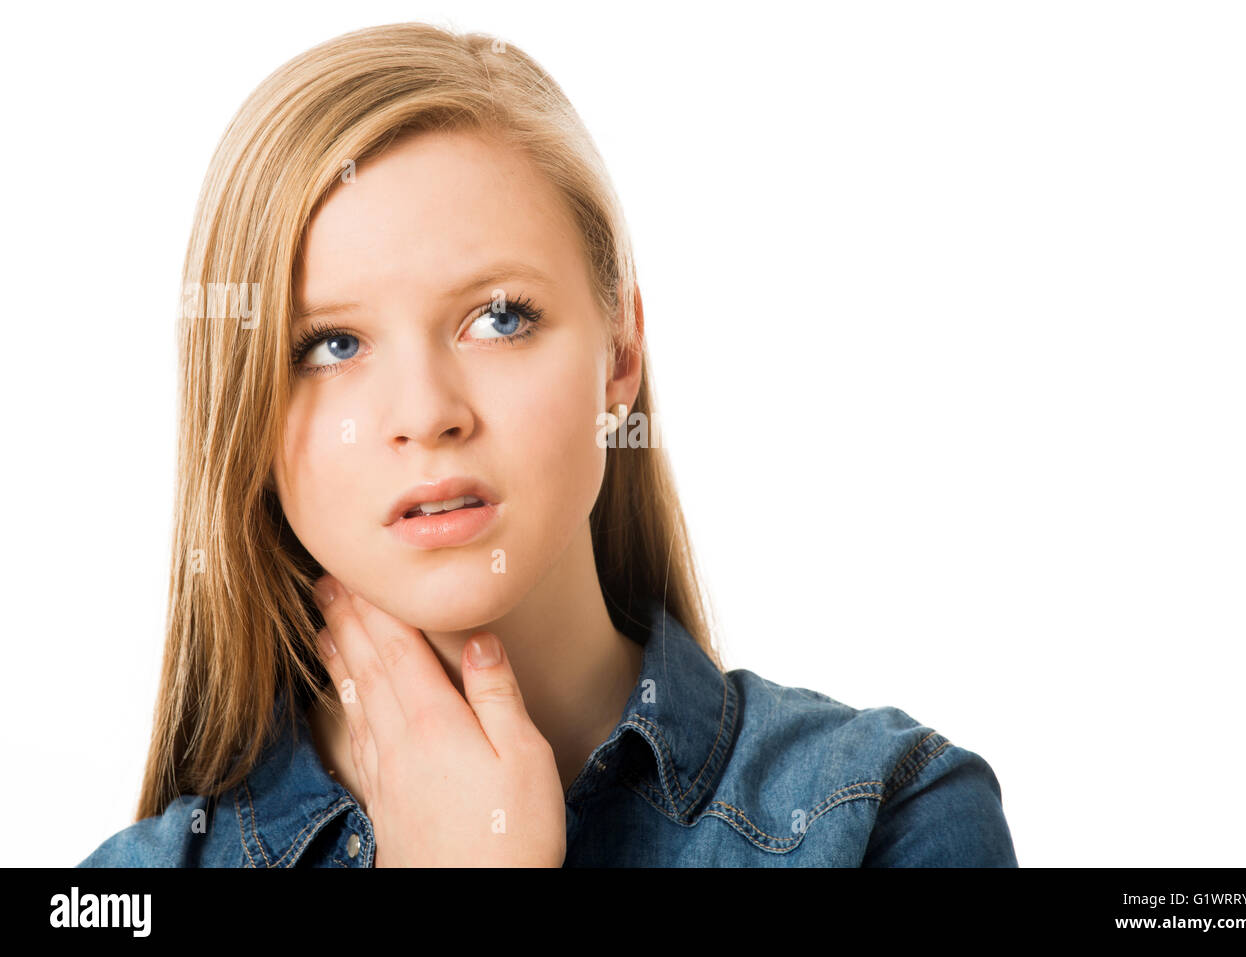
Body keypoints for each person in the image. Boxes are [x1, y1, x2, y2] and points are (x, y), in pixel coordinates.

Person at [78, 21, 1017, 867]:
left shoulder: (887, 817)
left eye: (498, 318)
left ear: (620, 357)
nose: (425, 412)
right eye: (330, 344)